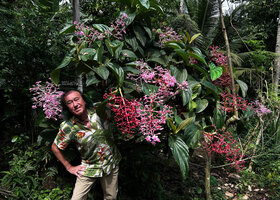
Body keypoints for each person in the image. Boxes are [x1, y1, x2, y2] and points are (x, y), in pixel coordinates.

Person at [51, 90, 121, 200]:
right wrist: (69, 167)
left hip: (110, 163)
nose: (75, 104)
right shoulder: (68, 127)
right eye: (69, 102)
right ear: (67, 107)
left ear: (83, 100)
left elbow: (122, 106)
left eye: (76, 99)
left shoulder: (100, 109)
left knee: (111, 197)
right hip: (88, 167)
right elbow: (55, 147)